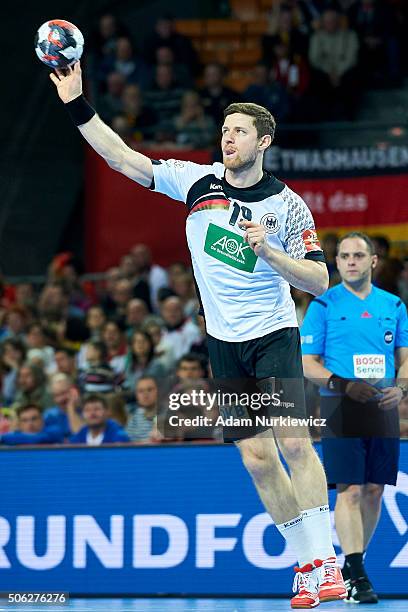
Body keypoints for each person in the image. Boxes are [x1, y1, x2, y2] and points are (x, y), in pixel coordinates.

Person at [50, 64, 345, 608]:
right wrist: (76, 102)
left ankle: (328, 562)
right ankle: (307, 563)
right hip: (223, 341)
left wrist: (270, 252)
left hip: (273, 332)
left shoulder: (286, 206)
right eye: (225, 130)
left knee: (295, 441)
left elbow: (321, 280)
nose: (227, 138)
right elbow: (123, 159)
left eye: (238, 131)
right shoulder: (196, 182)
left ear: (263, 142)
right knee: (256, 459)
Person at [301, 232, 408, 603]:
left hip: (383, 405)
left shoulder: (394, 305)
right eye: (344, 255)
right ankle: (358, 572)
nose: (350, 261)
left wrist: (403, 388)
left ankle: (353, 563)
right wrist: (343, 385)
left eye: (358, 255)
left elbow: (404, 357)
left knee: (375, 490)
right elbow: (307, 364)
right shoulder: (323, 305)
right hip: (341, 404)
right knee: (351, 489)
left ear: (373, 261)